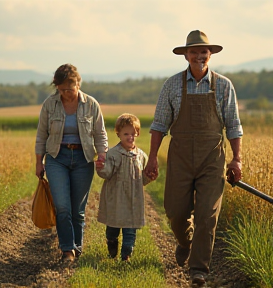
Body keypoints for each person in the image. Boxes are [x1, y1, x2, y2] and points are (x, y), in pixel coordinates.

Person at [145, 30, 242, 286]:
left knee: (207, 215)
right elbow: (158, 126)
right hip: (180, 158)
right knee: (175, 212)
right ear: (186, 55)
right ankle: (184, 241)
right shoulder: (171, 85)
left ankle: (198, 270)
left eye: (203, 51)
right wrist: (153, 158)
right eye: (194, 51)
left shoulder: (223, 85)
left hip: (212, 157)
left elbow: (233, 125)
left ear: (210, 54)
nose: (199, 56)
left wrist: (237, 159)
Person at [35, 63, 108, 262]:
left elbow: (100, 133)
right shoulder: (50, 105)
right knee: (62, 206)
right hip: (57, 158)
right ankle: (67, 250)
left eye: (70, 88)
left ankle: (77, 248)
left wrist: (102, 154)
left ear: (78, 83)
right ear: (57, 87)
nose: (66, 93)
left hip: (83, 159)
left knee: (77, 210)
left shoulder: (91, 104)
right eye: (62, 89)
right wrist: (38, 161)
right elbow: (42, 135)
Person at [95, 113, 152, 262]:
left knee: (130, 231)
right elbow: (106, 173)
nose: (130, 137)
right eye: (126, 134)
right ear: (118, 134)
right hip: (117, 199)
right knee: (113, 227)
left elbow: (142, 180)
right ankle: (112, 241)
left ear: (138, 134)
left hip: (133, 200)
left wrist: (150, 176)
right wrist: (101, 167)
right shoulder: (113, 154)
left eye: (133, 134)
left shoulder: (141, 156)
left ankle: (126, 256)